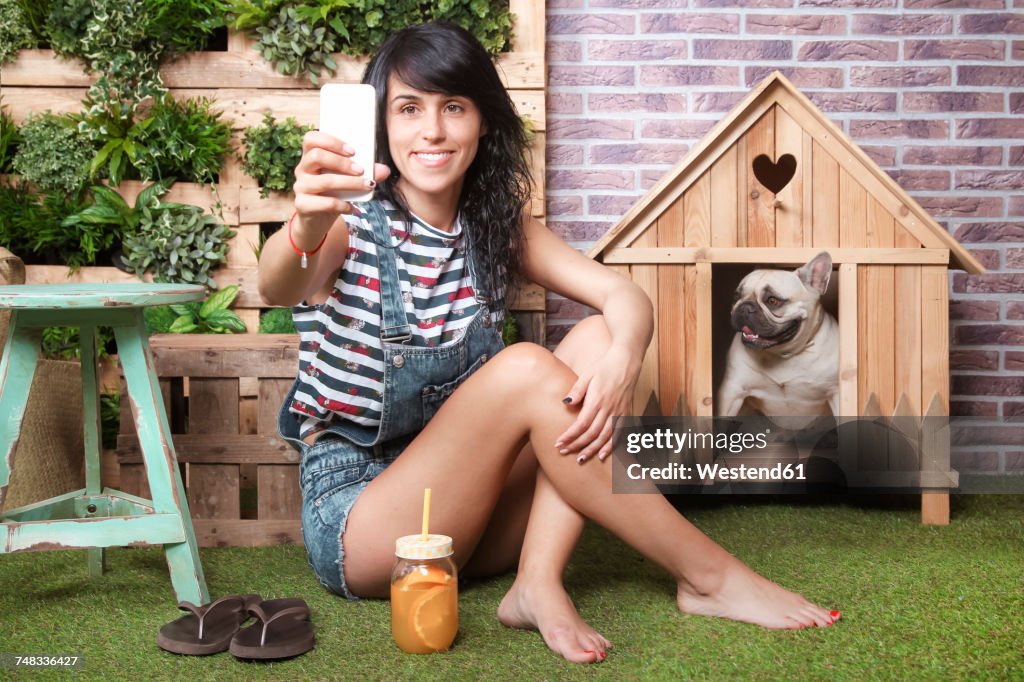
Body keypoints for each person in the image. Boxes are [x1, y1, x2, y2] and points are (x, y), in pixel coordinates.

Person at [258, 21, 840, 664]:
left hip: (473, 524)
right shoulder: (346, 219)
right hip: (367, 529)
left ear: (482, 122)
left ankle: (536, 581)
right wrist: (305, 221)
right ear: (381, 124)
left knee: (598, 338)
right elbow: (280, 284)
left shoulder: (496, 227)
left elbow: (626, 299)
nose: (432, 131)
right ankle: (711, 575)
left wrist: (622, 359)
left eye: (453, 107)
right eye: (408, 108)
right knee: (529, 369)